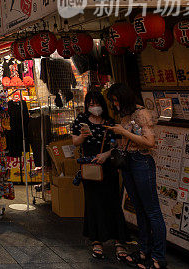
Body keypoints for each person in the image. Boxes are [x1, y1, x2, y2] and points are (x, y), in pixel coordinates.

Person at [107, 83, 163, 269]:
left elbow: (149, 142)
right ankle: (143, 251)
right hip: (128, 162)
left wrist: (123, 132)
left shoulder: (142, 114)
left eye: (116, 100)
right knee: (139, 208)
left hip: (142, 162)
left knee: (152, 210)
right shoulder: (125, 114)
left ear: (125, 98)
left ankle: (158, 258)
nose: (115, 105)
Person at [70, 90, 129, 261]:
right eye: (91, 104)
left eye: (97, 104)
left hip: (109, 167)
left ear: (102, 105)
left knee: (113, 202)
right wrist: (83, 135)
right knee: (93, 203)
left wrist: (106, 154)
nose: (94, 107)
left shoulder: (110, 122)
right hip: (90, 168)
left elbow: (119, 144)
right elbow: (75, 142)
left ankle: (119, 241)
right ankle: (96, 241)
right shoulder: (81, 120)